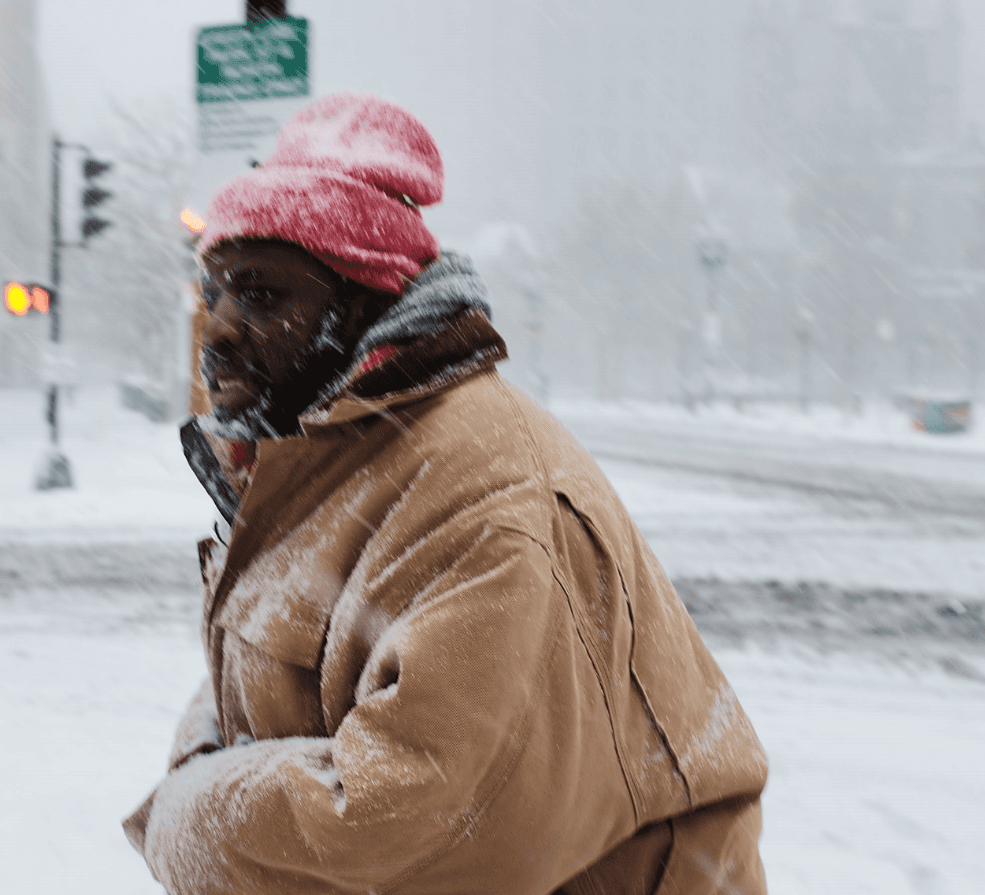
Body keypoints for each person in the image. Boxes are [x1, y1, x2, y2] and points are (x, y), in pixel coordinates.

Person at [124, 93, 768, 895]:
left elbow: (407, 819)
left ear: (360, 307)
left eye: (259, 295)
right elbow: (247, 688)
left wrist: (186, 813)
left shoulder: (483, 496)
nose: (216, 326)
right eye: (212, 291)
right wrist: (202, 781)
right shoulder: (323, 457)